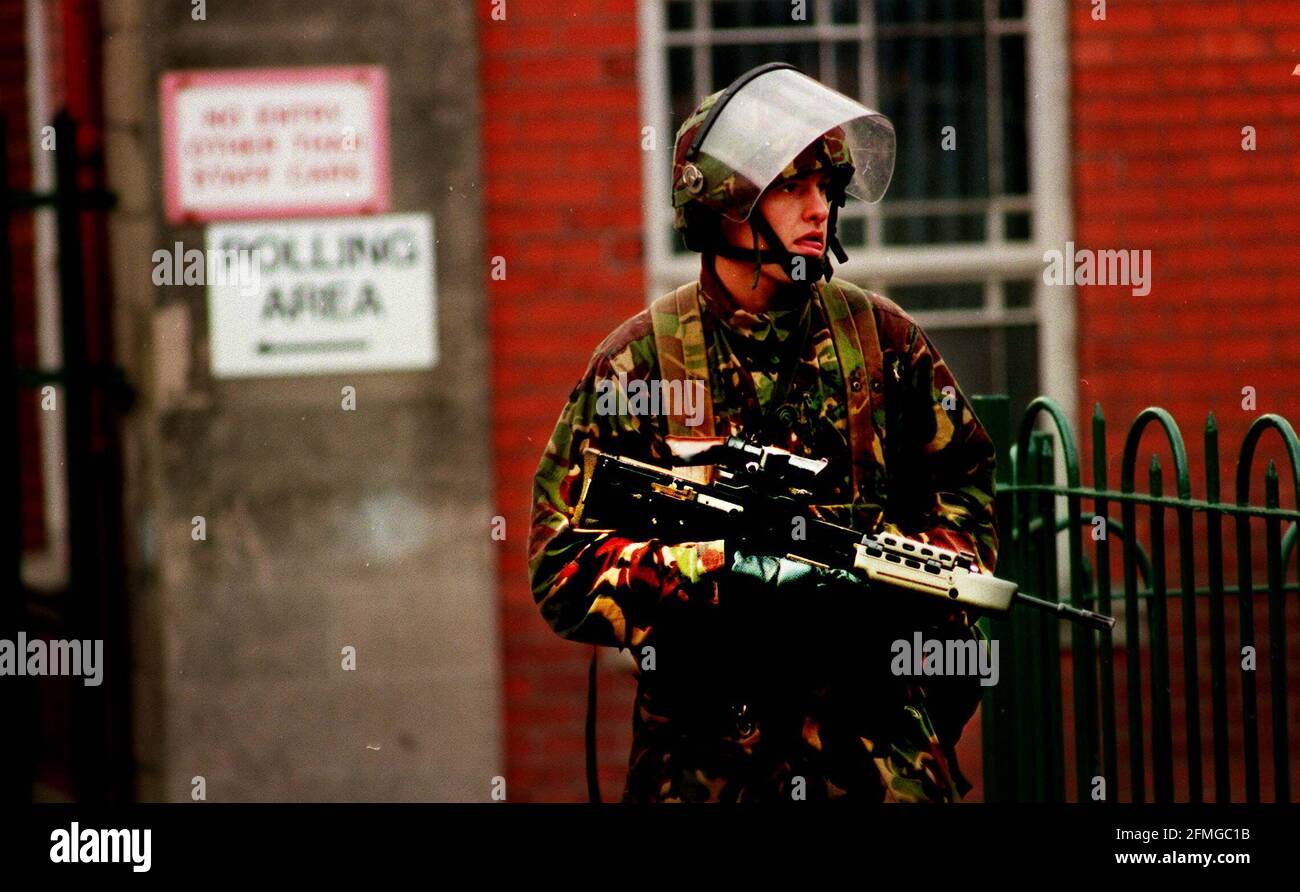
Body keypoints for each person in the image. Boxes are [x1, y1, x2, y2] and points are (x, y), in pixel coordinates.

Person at [528, 64, 999, 803]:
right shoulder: (642, 361)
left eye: (827, 189)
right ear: (724, 206)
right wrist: (723, 573)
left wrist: (891, 580)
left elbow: (966, 488)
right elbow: (562, 565)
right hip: (708, 768)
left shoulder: (883, 340)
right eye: (791, 187)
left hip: (873, 759)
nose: (819, 211)